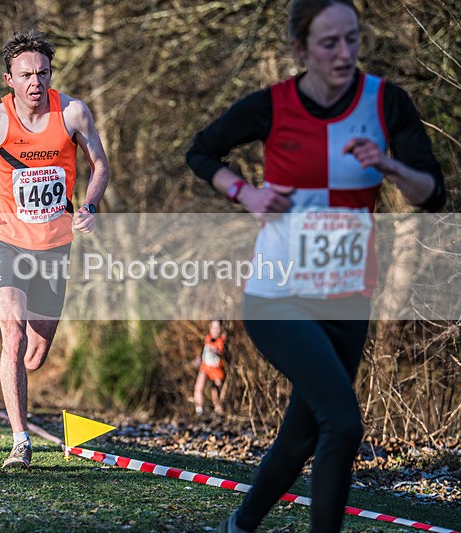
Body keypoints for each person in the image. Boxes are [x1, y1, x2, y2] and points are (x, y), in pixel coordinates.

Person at [186, 1, 445, 531]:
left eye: (352, 38)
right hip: (277, 295)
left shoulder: (386, 102)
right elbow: (202, 152)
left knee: (302, 434)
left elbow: (432, 194)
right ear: (301, 49)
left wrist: (389, 164)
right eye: (330, 43)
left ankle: (239, 525)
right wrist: (247, 194)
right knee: (343, 423)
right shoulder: (273, 105)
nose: (345, 53)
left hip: (349, 296)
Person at [0, 30, 110, 469]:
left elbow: (100, 164)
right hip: (7, 242)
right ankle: (20, 441)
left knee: (34, 355)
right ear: (10, 79)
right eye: (26, 75)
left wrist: (90, 205)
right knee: (13, 337)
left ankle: (21, 387)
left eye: (43, 73)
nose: (36, 81)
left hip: (55, 248)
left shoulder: (73, 113)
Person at [192, 320, 226, 416]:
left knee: (216, 392)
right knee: (198, 388)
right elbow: (203, 351)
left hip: (216, 370)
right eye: (214, 327)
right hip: (205, 367)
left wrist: (216, 351)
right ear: (210, 328)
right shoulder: (207, 338)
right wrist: (198, 359)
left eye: (218, 328)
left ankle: (219, 412)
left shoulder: (221, 340)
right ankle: (199, 411)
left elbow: (222, 352)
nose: (216, 330)